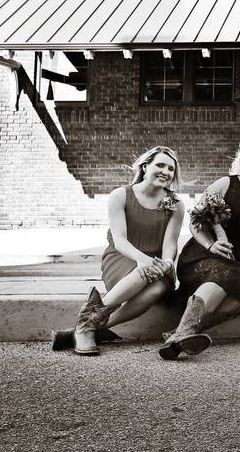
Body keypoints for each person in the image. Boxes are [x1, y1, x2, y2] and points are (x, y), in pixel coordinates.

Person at [160, 131, 240, 360]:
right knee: (225, 272)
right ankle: (183, 333)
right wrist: (210, 245)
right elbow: (196, 221)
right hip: (206, 254)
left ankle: (180, 335)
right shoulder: (226, 184)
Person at [52, 146, 185, 356]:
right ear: (145, 166)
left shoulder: (175, 203)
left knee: (159, 288)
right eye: (160, 165)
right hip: (123, 258)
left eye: (170, 168)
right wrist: (143, 260)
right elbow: (120, 240)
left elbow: (171, 242)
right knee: (144, 272)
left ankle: (90, 326)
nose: (166, 172)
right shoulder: (120, 195)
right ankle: (88, 326)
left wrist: (168, 263)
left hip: (157, 263)